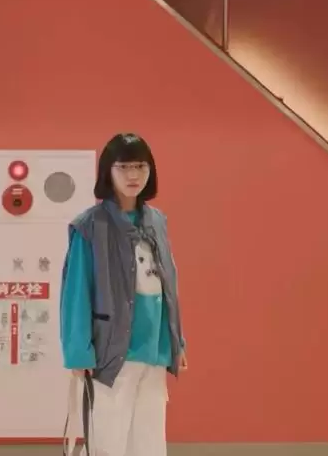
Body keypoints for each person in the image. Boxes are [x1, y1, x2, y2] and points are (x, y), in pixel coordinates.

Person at [60, 133, 188, 456]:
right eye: (124, 167)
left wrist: (177, 342)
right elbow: (76, 291)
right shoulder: (91, 225)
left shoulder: (157, 221)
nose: (133, 175)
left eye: (140, 166)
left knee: (149, 443)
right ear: (108, 171)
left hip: (154, 352)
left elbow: (168, 282)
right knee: (107, 442)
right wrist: (78, 352)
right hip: (112, 353)